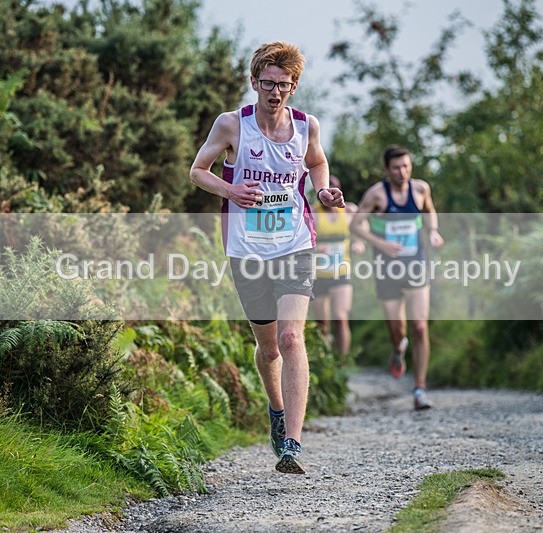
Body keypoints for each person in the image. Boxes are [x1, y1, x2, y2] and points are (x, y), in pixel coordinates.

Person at [189, 41, 345, 474]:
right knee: (269, 346)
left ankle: (293, 443)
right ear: (254, 82)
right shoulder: (231, 125)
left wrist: (325, 190)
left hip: (295, 242)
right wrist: (231, 189)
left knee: (293, 338)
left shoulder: (306, 126)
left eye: (284, 84)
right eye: (268, 83)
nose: (275, 92)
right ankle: (276, 411)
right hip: (247, 249)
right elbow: (197, 171)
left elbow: (316, 163)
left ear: (294, 87)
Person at [349, 145, 444, 410]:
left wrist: (433, 231)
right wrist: (379, 243)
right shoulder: (377, 194)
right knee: (397, 329)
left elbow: (430, 211)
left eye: (406, 166)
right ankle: (398, 349)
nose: (402, 172)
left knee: (420, 326)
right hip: (387, 268)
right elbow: (355, 224)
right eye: (396, 167)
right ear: (386, 170)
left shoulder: (421, 189)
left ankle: (420, 389)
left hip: (415, 264)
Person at [310, 175, 365, 355]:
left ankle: (343, 361)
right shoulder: (313, 212)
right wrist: (317, 248)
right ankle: (327, 362)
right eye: (327, 187)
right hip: (319, 274)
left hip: (342, 272)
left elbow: (363, 228)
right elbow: (302, 241)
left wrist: (359, 242)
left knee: (341, 318)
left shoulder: (349, 210)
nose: (331, 191)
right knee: (322, 325)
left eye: (335, 187)